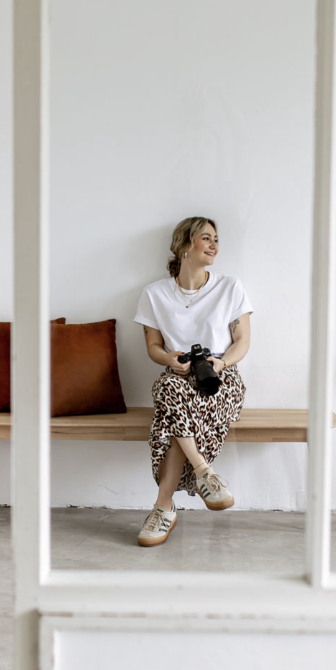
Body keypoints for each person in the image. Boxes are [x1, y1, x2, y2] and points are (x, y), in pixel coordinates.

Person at [133, 216, 253, 547]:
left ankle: (163, 508)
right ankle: (204, 473)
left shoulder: (230, 287)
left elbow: (242, 340)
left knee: (172, 416)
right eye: (206, 238)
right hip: (179, 376)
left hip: (221, 378)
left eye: (216, 239)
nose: (214, 245)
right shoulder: (154, 293)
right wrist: (170, 360)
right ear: (185, 244)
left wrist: (221, 362)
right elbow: (154, 347)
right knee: (170, 388)